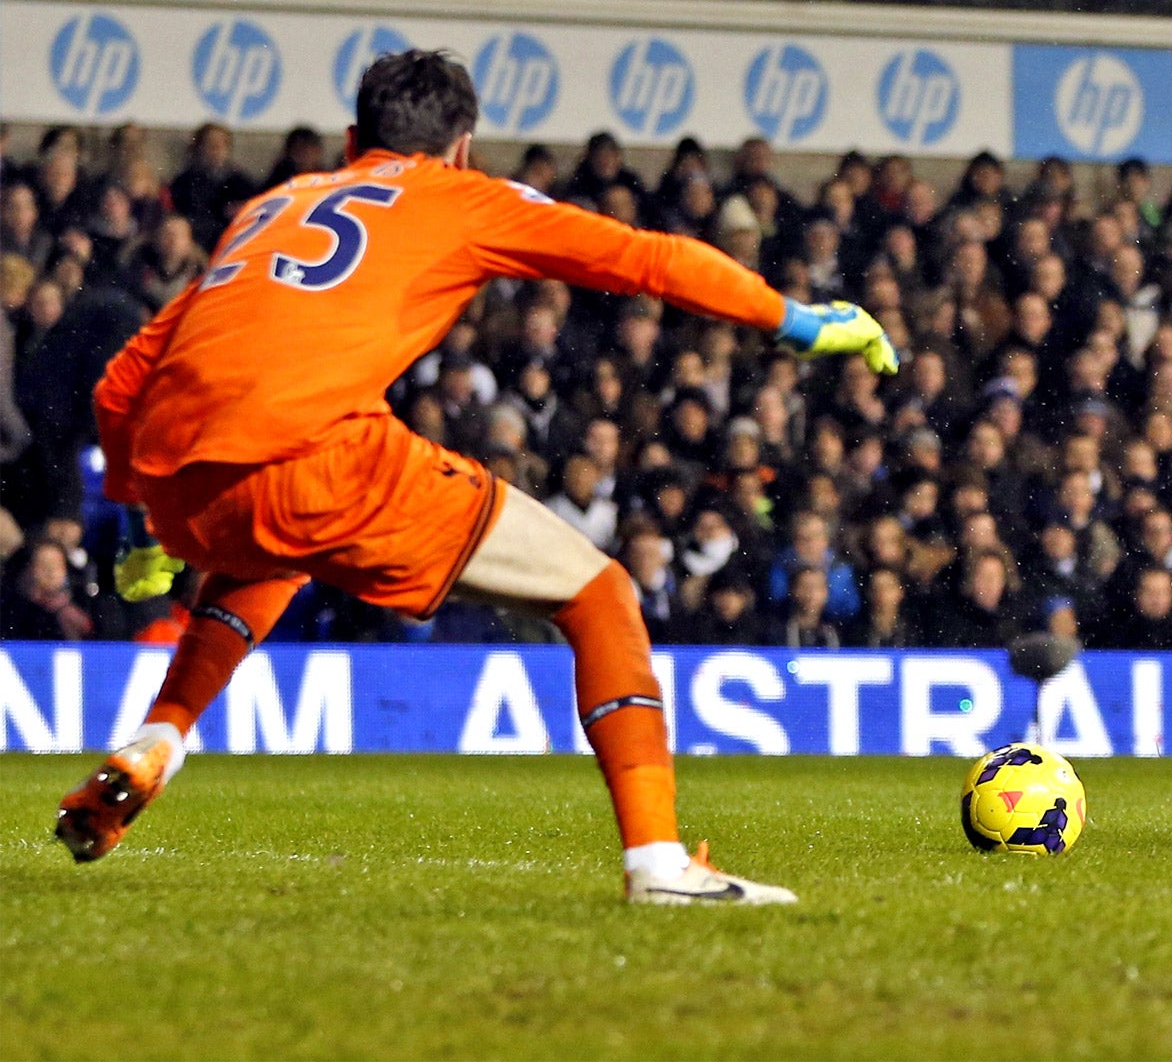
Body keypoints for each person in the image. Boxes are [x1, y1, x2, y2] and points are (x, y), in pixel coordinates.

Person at [57, 49, 898, 907]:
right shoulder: (459, 197)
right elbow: (648, 261)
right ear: (462, 146)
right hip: (316, 459)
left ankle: (160, 734)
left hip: (183, 476)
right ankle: (658, 864)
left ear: (354, 138)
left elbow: (124, 377)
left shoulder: (272, 204)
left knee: (278, 543)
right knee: (601, 593)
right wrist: (793, 321)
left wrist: (140, 528)